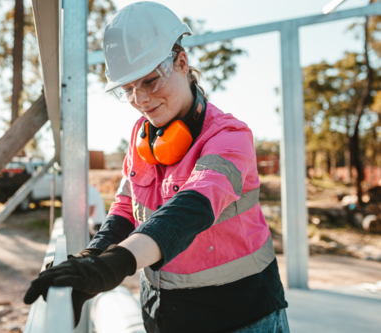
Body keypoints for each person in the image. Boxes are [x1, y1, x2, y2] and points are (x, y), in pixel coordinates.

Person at [24, 2, 289, 332]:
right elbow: (126, 208)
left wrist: (116, 265)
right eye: (128, 89)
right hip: (164, 315)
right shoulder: (142, 135)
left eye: (150, 81)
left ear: (181, 62)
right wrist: (93, 256)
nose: (141, 100)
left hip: (240, 317)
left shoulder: (229, 136)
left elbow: (191, 208)